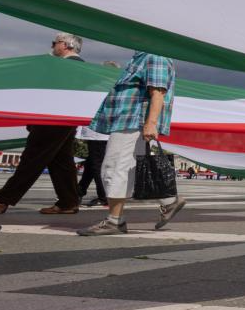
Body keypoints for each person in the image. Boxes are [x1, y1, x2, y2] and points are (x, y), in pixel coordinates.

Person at [0, 33, 86, 215]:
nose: (52, 46)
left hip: (52, 119)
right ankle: (68, 202)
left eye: (55, 43)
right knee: (61, 161)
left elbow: (47, 92)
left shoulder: (65, 65)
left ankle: (1, 200)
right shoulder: (80, 66)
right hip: (65, 120)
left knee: (33, 158)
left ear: (66, 45)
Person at [77, 51, 184, 236]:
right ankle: (169, 201)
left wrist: (151, 123)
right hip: (130, 120)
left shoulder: (154, 54)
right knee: (129, 169)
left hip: (132, 120)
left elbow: (158, 92)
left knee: (114, 167)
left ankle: (114, 221)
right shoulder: (145, 55)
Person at [77, 125, 109, 207]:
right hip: (96, 134)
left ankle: (103, 197)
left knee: (96, 165)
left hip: (98, 134)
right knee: (90, 165)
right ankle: (79, 192)